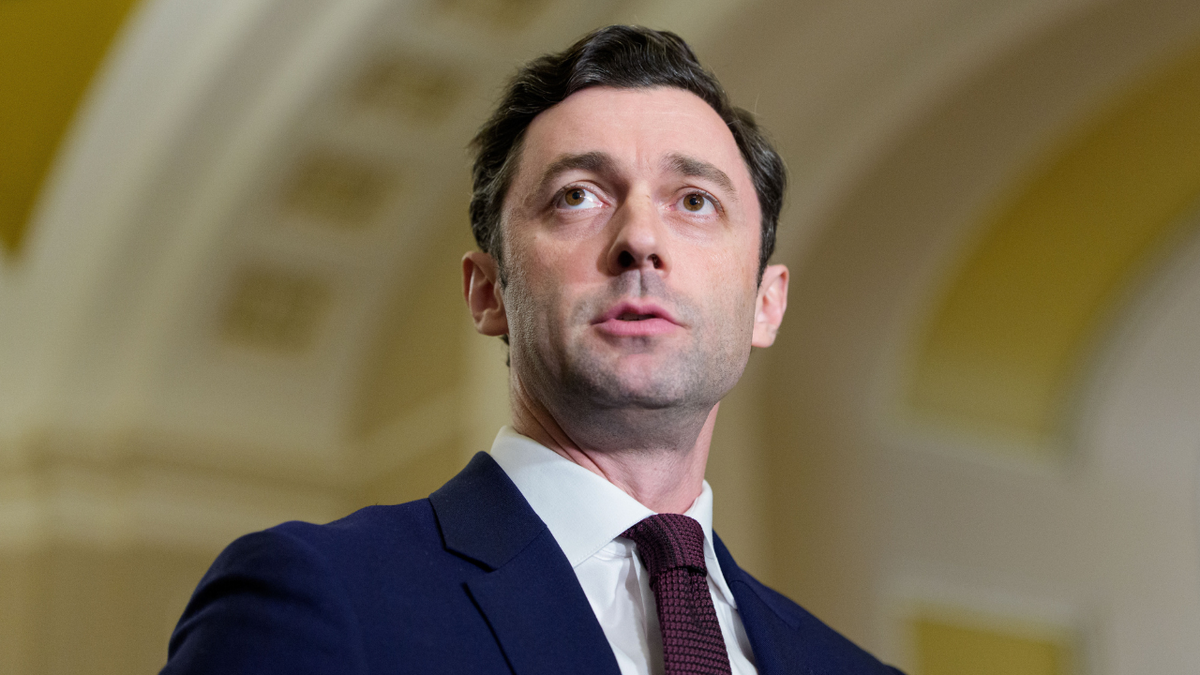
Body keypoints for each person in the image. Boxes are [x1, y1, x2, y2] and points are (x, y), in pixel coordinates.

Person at [161, 25, 902, 675]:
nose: (640, 239)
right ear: (487, 293)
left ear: (765, 303)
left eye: (695, 201)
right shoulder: (320, 594)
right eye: (578, 195)